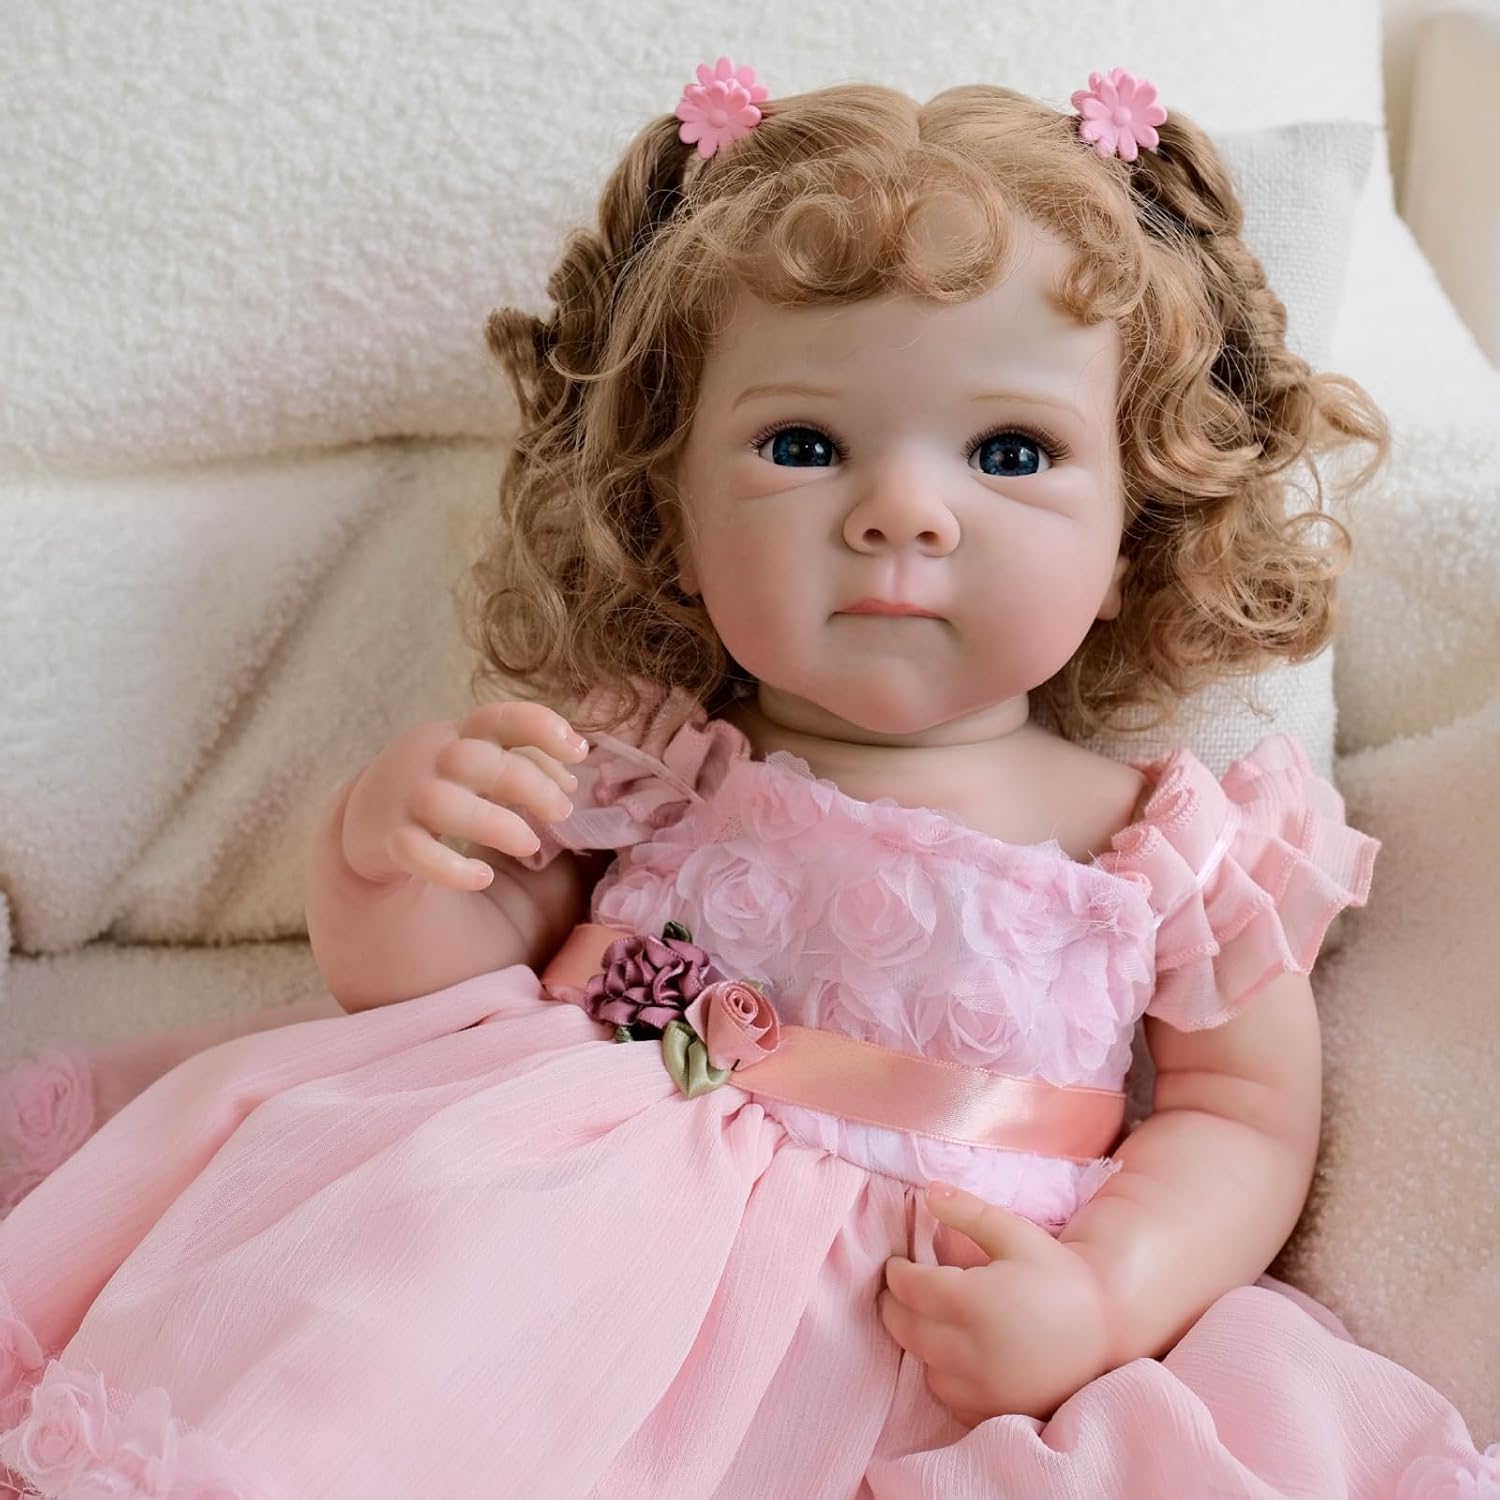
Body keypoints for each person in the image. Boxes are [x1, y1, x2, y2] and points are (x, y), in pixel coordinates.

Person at [0, 59, 1492, 1500]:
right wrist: (388, 852)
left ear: (1133, 533)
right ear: (678, 515)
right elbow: (428, 993)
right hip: (539, 1265)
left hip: (918, 1331)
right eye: (802, 442)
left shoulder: (1173, 850)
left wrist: (1108, 1293)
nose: (901, 511)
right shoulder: (650, 762)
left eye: (1010, 452)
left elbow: (1239, 1122)